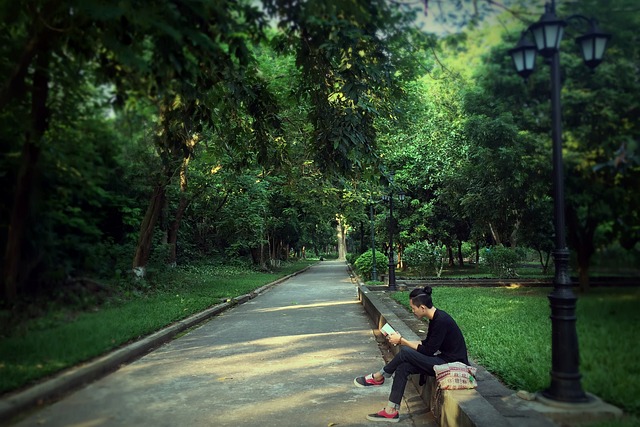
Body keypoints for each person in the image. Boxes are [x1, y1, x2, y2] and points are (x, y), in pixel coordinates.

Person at [354, 286, 469, 423]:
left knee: (406, 353)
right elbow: (427, 344)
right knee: (403, 367)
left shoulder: (441, 321)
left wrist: (402, 341)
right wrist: (402, 340)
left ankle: (379, 376)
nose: (412, 311)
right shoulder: (435, 318)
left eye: (413, 308)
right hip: (443, 359)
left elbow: (427, 351)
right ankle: (391, 411)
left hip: (453, 364)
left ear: (422, 307)